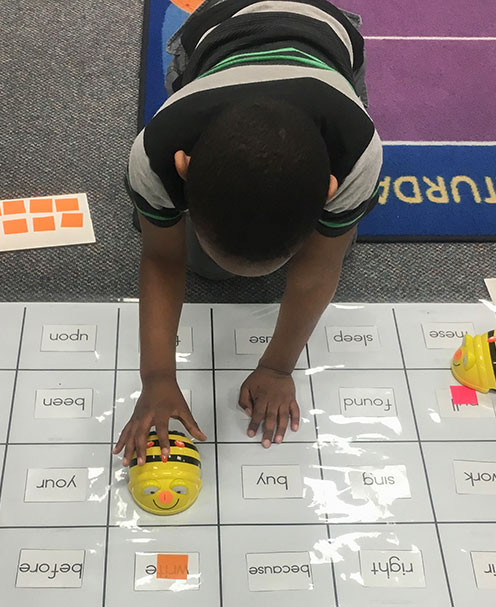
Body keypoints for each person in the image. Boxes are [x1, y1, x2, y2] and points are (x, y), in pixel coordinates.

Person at [114, 0, 382, 465]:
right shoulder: (158, 149)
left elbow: (320, 263)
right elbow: (161, 259)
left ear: (327, 188)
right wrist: (157, 377)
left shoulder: (358, 149)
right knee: (203, 267)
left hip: (329, 37)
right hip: (216, 27)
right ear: (185, 168)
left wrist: (278, 367)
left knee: (341, 240)